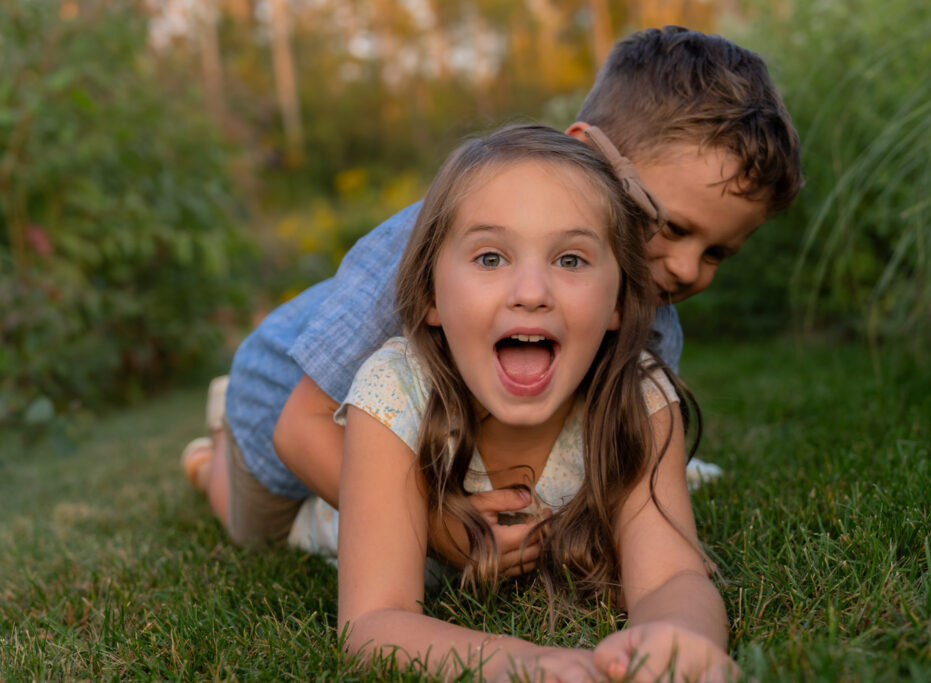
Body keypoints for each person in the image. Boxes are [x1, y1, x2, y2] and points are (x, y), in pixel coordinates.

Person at [181, 26, 802, 574]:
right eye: (670, 226)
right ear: (589, 153)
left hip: (410, 427)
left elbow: (618, 435)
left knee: (409, 479)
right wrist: (439, 526)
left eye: (719, 253)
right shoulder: (438, 238)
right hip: (285, 403)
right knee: (257, 525)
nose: (689, 269)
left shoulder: (648, 305)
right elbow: (301, 428)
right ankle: (213, 452)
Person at [305, 123, 733, 680]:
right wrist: (526, 662)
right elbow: (372, 620)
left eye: (571, 260)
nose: (531, 292)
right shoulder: (393, 393)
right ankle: (208, 462)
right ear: (432, 294)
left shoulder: (639, 395)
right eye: (489, 258)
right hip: (339, 514)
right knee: (267, 515)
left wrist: (680, 638)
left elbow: (673, 578)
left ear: (618, 305)